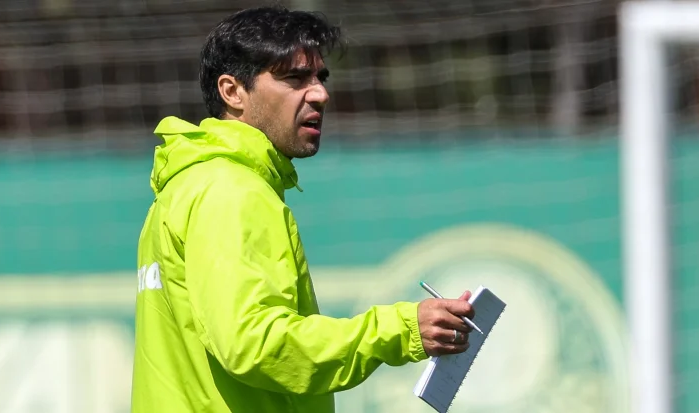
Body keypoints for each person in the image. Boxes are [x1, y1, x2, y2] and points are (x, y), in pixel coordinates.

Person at [130, 6, 475, 413]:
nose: (319, 93)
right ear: (232, 91)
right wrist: (399, 330)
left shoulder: (185, 186)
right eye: (294, 78)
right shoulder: (233, 190)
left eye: (320, 78)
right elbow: (253, 344)